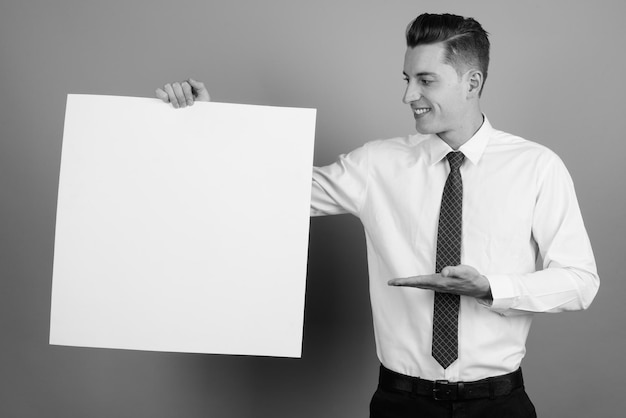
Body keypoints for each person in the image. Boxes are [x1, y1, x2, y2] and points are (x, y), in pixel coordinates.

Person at [156, 13, 599, 418]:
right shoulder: (377, 165)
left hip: (498, 404)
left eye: (425, 80)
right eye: (407, 79)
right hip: (401, 404)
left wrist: (490, 288)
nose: (409, 95)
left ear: (472, 81)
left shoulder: (537, 167)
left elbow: (581, 281)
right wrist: (207, 125)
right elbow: (274, 194)